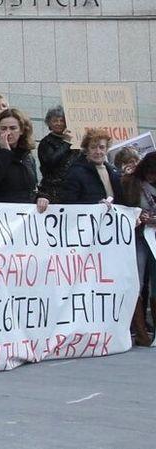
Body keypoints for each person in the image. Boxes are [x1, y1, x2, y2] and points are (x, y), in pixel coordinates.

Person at [0, 107, 49, 211]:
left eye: (13, 128)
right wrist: (5, 153)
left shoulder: (27, 156)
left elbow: (31, 187)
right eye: (3, 128)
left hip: (23, 216)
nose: (8, 132)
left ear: (22, 130)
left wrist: (41, 197)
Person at [119, 152, 156, 346]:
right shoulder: (133, 183)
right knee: (138, 282)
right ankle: (141, 332)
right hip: (139, 238)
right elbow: (126, 208)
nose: (151, 177)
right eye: (149, 172)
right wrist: (138, 218)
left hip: (153, 238)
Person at [61, 127, 123, 204]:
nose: (98, 151)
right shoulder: (75, 172)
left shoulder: (115, 172)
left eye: (102, 147)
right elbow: (68, 202)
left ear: (107, 149)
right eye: (93, 147)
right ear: (87, 150)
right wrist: (95, 205)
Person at [37, 106, 77, 201]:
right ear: (49, 123)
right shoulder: (45, 142)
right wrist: (66, 143)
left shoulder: (74, 142)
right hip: (52, 190)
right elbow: (50, 162)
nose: (59, 123)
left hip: (72, 188)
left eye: (62, 120)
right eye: (55, 121)